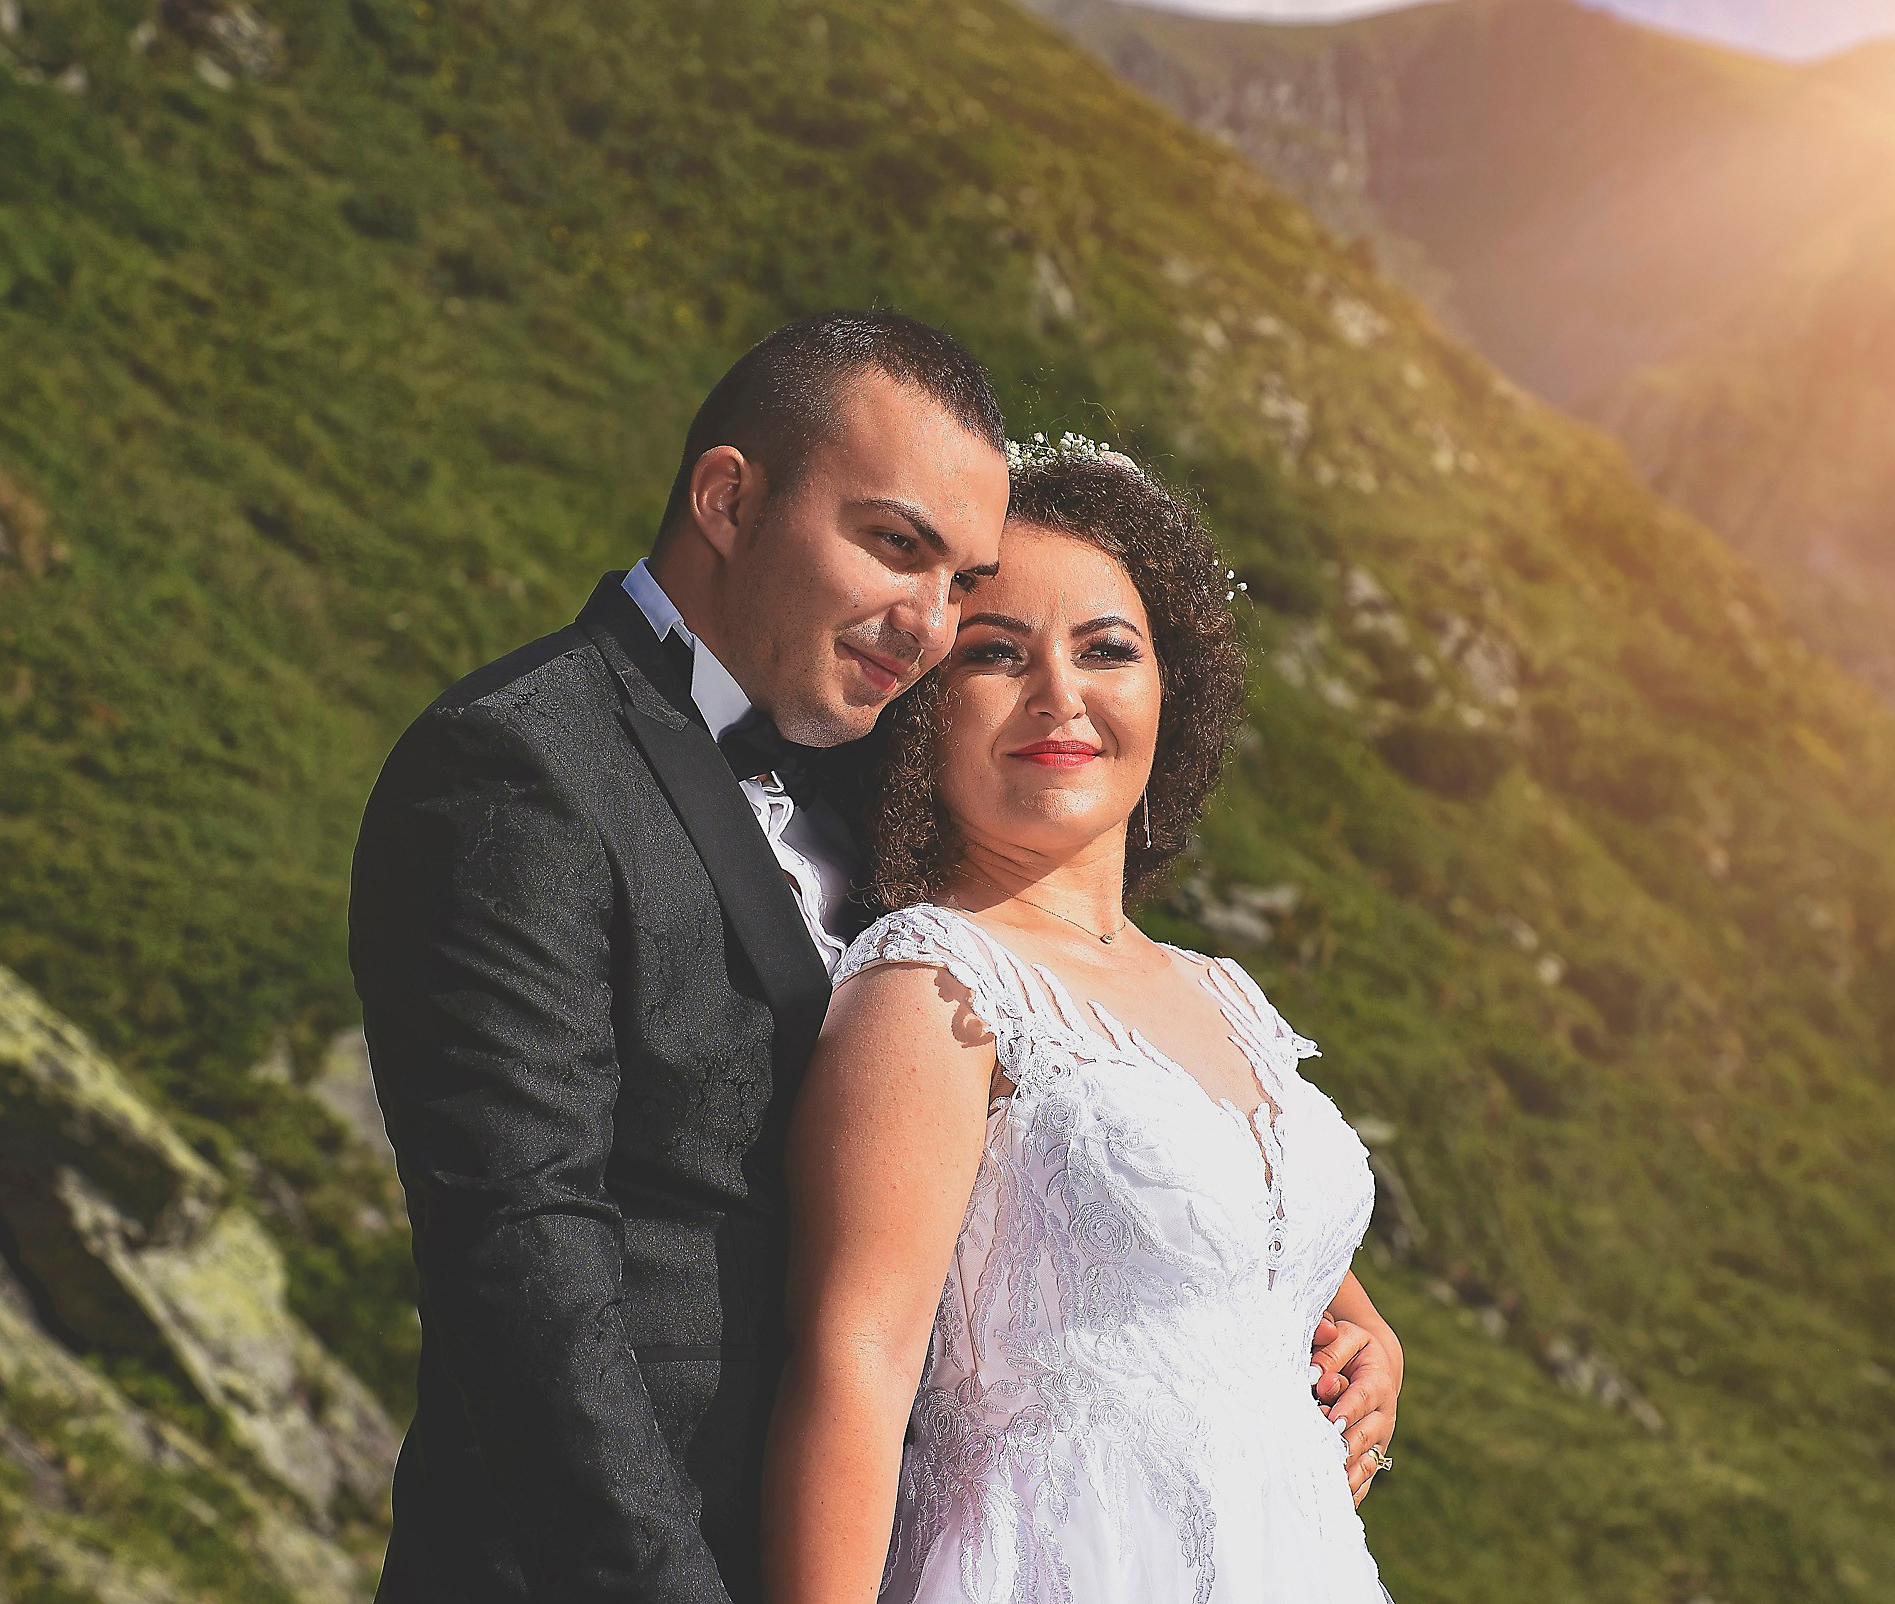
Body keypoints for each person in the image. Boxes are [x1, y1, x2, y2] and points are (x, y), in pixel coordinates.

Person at [351, 312, 1400, 1601]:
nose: (926, 624)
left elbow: (1090, 1137)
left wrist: (1324, 1309)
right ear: (728, 498)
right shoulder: (522, 766)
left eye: (958, 583)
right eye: (896, 547)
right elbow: (521, 1263)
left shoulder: (871, 779)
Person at [763, 438, 1403, 1604]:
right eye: (996, 655)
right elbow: (852, 1365)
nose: (1061, 695)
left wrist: (1353, 1320)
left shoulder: (1219, 990)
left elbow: (1213, 1240)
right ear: (921, 707)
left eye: (1107, 648)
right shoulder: (933, 983)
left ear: (1172, 690)